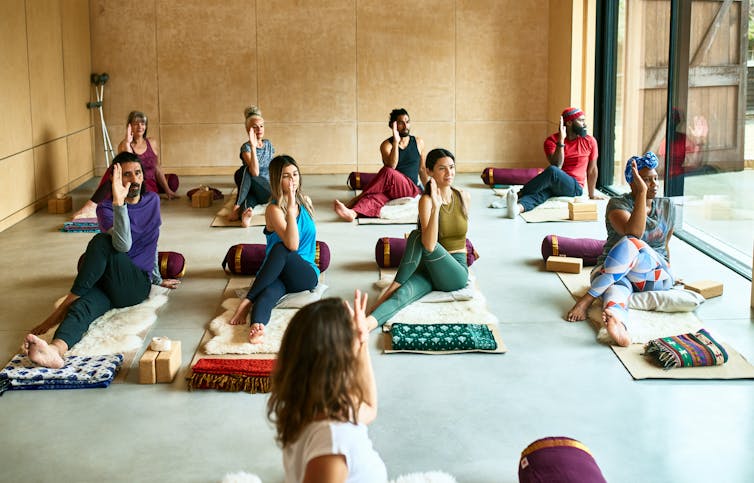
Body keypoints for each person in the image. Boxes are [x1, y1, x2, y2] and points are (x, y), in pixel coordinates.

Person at [22, 152, 181, 368]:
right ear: (115, 180)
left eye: (138, 173)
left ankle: (59, 311)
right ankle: (54, 350)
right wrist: (118, 202)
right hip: (110, 282)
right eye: (127, 175)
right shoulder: (106, 208)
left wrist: (156, 278)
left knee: (100, 242)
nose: (134, 179)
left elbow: (150, 241)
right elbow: (122, 244)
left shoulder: (152, 200)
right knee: (83, 307)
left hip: (134, 285)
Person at [268, 292, 387, 482]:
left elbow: (369, 408)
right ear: (338, 360)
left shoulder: (311, 405)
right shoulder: (334, 441)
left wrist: (362, 342)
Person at [566, 152, 675, 347]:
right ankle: (617, 321)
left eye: (655, 178)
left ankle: (588, 299)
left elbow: (664, 245)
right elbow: (633, 231)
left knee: (631, 245)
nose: (654, 184)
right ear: (633, 182)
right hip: (614, 272)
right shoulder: (617, 204)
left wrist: (668, 269)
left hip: (652, 276)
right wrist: (641, 194)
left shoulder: (668, 206)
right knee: (618, 283)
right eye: (647, 180)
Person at [364, 148, 470, 331]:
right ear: (429, 172)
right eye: (442, 169)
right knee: (403, 295)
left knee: (417, 236)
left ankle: (392, 287)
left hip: (454, 272)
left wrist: (437, 208)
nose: (449, 173)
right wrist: (434, 205)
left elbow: (429, 245)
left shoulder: (463, 196)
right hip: (429, 268)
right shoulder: (426, 200)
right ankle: (365, 324)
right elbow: (430, 245)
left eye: (451, 167)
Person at [228, 155, 319, 343]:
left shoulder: (305, 202)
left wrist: (293, 211)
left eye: (295, 174)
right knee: (268, 294)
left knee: (281, 248)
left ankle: (248, 300)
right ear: (277, 179)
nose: (292, 179)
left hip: (304, 274)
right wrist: (290, 210)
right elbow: (291, 243)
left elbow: (292, 246)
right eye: (286, 176)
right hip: (276, 273)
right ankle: (257, 326)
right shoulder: (273, 210)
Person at [72, 111, 178, 219]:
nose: (140, 126)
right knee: (114, 169)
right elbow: (128, 167)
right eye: (136, 123)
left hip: (150, 181)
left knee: (173, 180)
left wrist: (168, 190)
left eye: (142, 123)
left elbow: (157, 167)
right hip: (134, 182)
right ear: (130, 126)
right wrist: (128, 142)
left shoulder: (152, 142)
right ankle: (91, 205)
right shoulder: (124, 145)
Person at [333, 108, 427, 221]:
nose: (405, 125)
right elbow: (392, 165)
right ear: (393, 125)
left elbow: (422, 169)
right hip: (392, 188)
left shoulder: (418, 142)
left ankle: (355, 200)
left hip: (410, 188)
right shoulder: (386, 145)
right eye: (401, 123)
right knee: (373, 197)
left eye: (407, 122)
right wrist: (396, 142)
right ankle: (353, 213)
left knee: (387, 171)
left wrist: (429, 190)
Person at [506, 107, 601, 218]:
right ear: (569, 123)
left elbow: (592, 169)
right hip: (554, 182)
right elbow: (557, 165)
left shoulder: (590, 141)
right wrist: (561, 141)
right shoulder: (551, 141)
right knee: (541, 194)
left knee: (552, 171)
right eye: (581, 120)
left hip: (574, 187)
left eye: (584, 120)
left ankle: (520, 193)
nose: (585, 124)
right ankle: (517, 209)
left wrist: (592, 194)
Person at [228, 106, 275, 227]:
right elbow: (254, 172)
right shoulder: (246, 148)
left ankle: (236, 206)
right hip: (252, 188)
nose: (259, 129)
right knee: (249, 195)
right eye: (255, 127)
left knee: (243, 171)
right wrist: (253, 147)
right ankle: (244, 215)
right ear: (248, 130)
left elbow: (256, 173)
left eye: (261, 126)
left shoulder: (268, 144)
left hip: (266, 190)